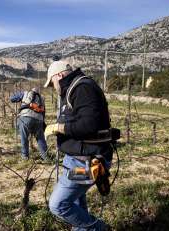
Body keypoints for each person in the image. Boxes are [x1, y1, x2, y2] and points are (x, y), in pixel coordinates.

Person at [44, 60, 112, 231]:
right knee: (75, 202)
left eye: (52, 82)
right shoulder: (72, 90)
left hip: (87, 162)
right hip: (76, 159)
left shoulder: (83, 88)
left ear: (59, 75)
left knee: (58, 204)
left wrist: (59, 127)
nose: (53, 87)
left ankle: (98, 228)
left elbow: (89, 125)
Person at [10, 87, 48, 161]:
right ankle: (45, 157)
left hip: (25, 117)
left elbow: (12, 98)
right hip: (38, 120)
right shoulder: (42, 98)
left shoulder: (25, 93)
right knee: (40, 139)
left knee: (24, 137)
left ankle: (25, 157)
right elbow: (43, 112)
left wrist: (17, 96)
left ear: (31, 90)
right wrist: (42, 122)